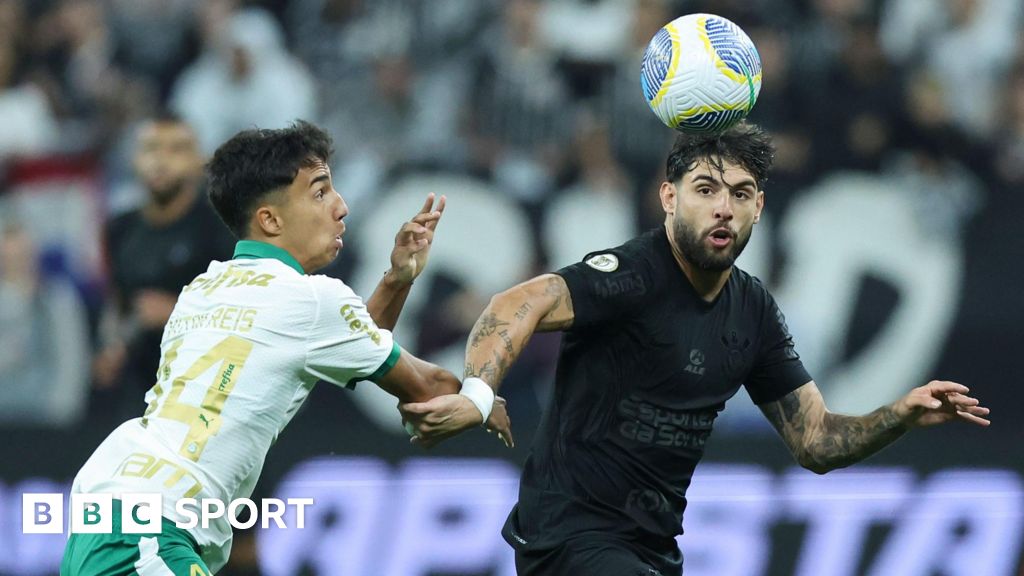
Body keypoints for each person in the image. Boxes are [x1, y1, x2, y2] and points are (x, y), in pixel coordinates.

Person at [401, 121, 991, 576]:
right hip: (571, 541)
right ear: (668, 197)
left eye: (740, 193)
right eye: (705, 189)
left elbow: (816, 441)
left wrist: (901, 415)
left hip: (652, 549)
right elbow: (515, 304)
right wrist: (478, 394)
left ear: (759, 207)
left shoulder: (752, 310)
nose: (723, 208)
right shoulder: (631, 273)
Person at [63, 121, 512, 575]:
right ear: (271, 220)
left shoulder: (203, 287)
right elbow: (427, 385)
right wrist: (480, 398)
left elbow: (342, 345)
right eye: (319, 193)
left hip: (112, 500)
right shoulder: (311, 298)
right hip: (151, 527)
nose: (341, 207)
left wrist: (396, 280)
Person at [93, 113, 235, 409]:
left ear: (199, 160)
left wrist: (175, 311)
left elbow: (247, 313)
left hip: (207, 386)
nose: (161, 160)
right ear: (134, 159)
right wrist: (111, 347)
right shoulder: (120, 228)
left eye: (176, 149)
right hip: (140, 385)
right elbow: (118, 302)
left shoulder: (222, 228)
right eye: (151, 148)